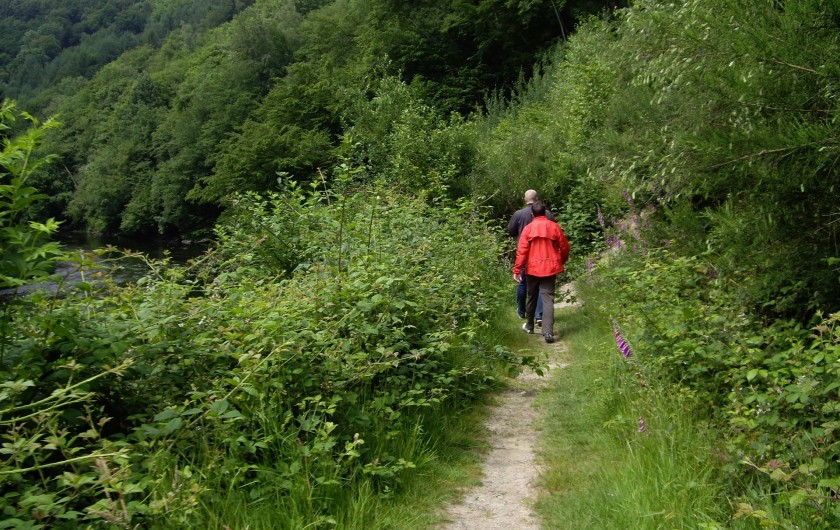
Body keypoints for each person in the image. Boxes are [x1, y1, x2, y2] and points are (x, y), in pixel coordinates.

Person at [513, 201, 570, 344]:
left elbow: (522, 251)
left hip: (532, 268)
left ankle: (530, 326)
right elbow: (564, 247)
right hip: (550, 267)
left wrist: (517, 269)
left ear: (532, 214)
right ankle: (548, 332)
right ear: (545, 213)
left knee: (531, 296)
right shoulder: (554, 227)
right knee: (548, 298)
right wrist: (561, 261)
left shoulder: (528, 229)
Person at [507, 189, 554, 322]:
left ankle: (522, 311)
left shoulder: (519, 214)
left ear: (524, 198)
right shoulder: (547, 214)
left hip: (524, 253)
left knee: (522, 283)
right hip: (543, 254)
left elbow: (510, 231)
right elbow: (554, 230)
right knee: (540, 285)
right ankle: (539, 315)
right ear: (537, 198)